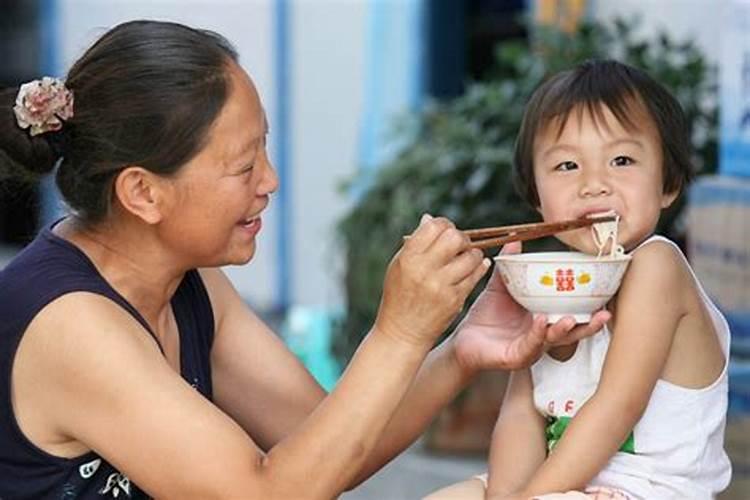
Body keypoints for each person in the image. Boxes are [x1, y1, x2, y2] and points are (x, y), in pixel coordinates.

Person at [0, 20, 610, 499]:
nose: (270, 180)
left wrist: (460, 350)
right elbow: (273, 491)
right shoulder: (71, 324)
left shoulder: (188, 282)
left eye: (263, 148)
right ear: (143, 193)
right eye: (243, 166)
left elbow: (324, 448)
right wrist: (397, 331)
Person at [425, 60, 732, 500]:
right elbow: (522, 414)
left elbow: (618, 405)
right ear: (536, 194)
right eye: (567, 166)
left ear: (668, 183)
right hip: (557, 486)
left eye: (622, 160)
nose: (594, 184)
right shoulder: (549, 282)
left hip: (647, 491)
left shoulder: (657, 266)